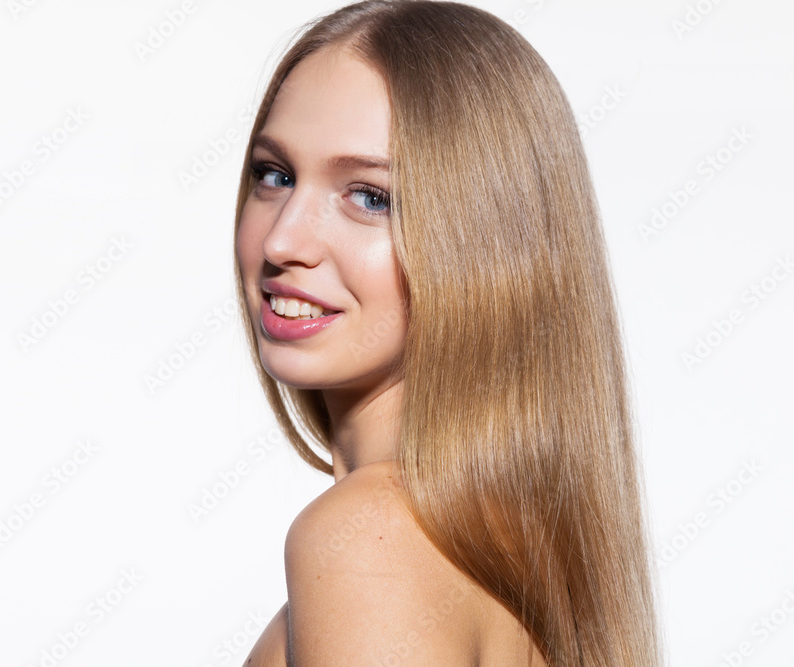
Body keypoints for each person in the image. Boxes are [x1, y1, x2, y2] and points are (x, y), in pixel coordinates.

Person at [232, 1, 663, 664]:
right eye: (275, 174)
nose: (285, 239)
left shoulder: (364, 539)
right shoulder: (506, 537)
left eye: (371, 196)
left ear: (486, 243)